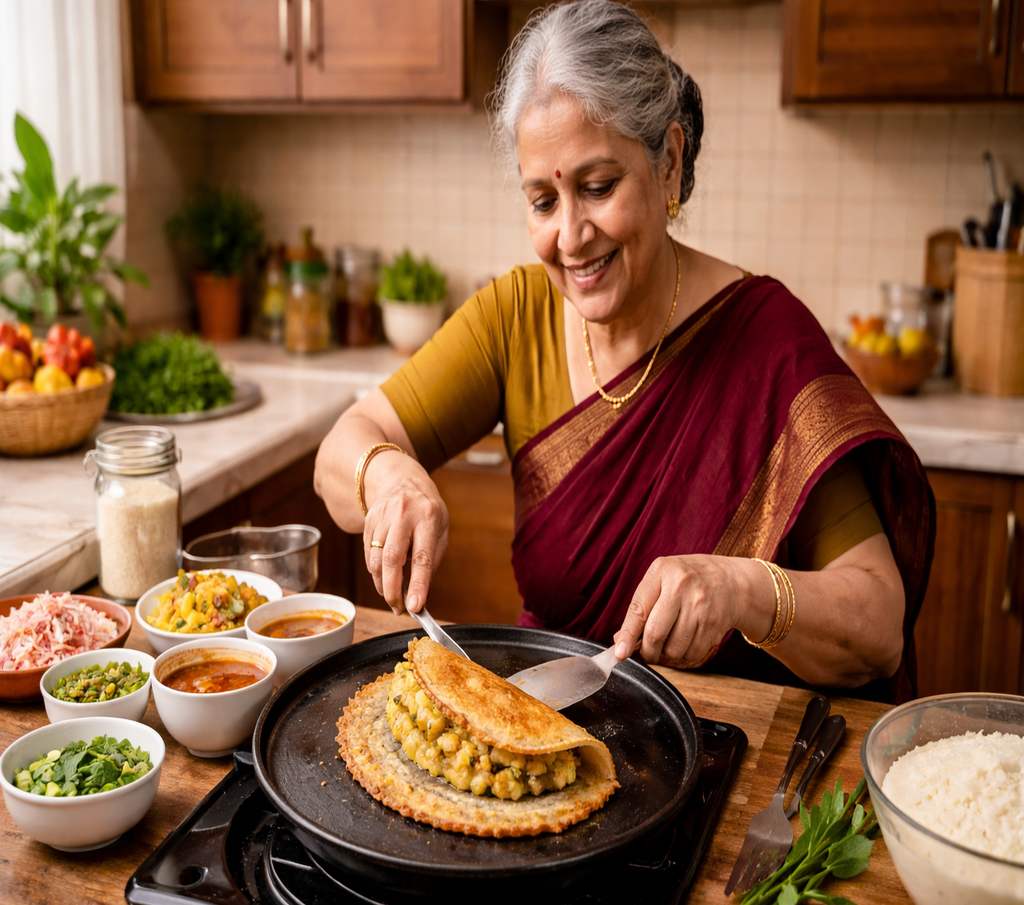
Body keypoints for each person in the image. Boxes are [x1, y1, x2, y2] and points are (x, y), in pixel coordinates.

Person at [315, 0, 934, 703]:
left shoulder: (766, 339)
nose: (571, 236)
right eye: (543, 201)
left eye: (598, 187)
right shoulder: (514, 315)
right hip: (547, 727)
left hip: (730, 747)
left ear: (667, 164)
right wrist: (387, 476)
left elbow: (879, 624)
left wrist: (742, 590)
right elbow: (341, 451)